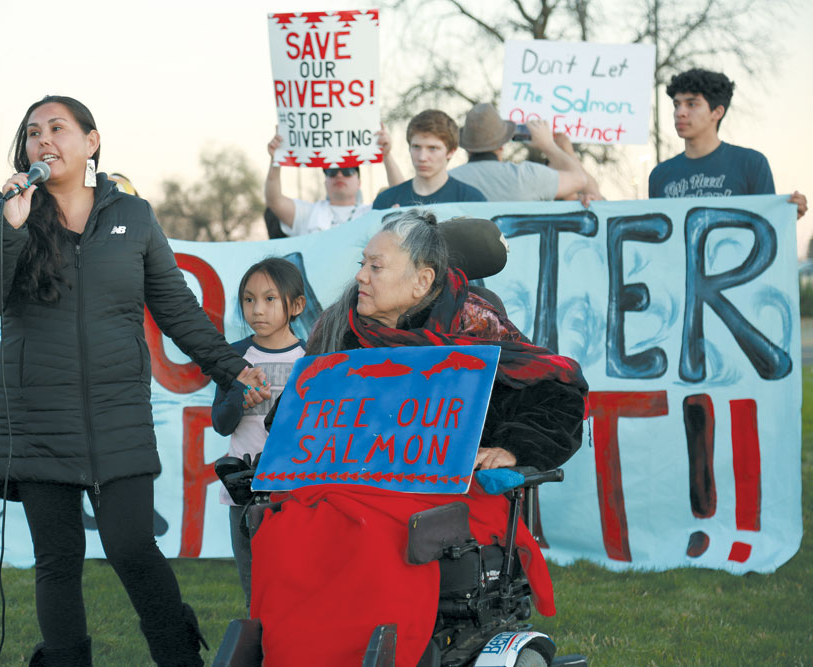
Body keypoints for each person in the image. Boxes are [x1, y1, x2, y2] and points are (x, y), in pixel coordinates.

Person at [0, 95, 269, 667]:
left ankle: (182, 660)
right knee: (58, 560)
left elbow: (177, 308)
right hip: (37, 418)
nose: (43, 140)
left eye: (58, 128)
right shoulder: (6, 215)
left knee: (133, 549)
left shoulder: (135, 217)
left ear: (92, 142)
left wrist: (232, 368)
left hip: (116, 416)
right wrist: (11, 228)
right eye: (32, 133)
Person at [249, 210, 588, 666]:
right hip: (354, 482)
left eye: (376, 267)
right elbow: (299, 411)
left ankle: (378, 652)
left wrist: (513, 447)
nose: (361, 277)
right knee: (288, 526)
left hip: (446, 488)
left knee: (370, 535)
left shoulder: (472, 321)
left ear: (420, 280)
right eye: (362, 263)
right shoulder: (339, 326)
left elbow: (553, 390)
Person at [211, 258, 307, 610]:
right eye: (248, 300)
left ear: (296, 305)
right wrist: (240, 396)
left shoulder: (312, 357)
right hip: (244, 492)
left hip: (296, 492)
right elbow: (221, 422)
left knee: (299, 582)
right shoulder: (233, 355)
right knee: (255, 590)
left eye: (269, 299)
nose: (257, 310)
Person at [649, 68, 806, 218]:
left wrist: (786, 214)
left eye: (691, 104)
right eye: (676, 105)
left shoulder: (751, 164)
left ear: (717, 112)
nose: (680, 113)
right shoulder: (660, 175)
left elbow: (767, 228)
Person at [264, 124, 402, 236]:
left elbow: (402, 197)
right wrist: (276, 159)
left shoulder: (371, 213)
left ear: (359, 182)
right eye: (332, 171)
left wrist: (387, 155)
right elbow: (274, 200)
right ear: (325, 181)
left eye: (348, 171)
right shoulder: (307, 213)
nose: (339, 175)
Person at [448, 103, 598, 203]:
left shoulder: (447, 180)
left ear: (466, 147)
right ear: (502, 145)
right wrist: (549, 145)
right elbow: (579, 179)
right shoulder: (525, 176)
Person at [373, 110, 487, 209]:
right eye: (416, 147)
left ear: (451, 151)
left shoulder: (471, 200)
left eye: (432, 148)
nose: (422, 157)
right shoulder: (386, 201)